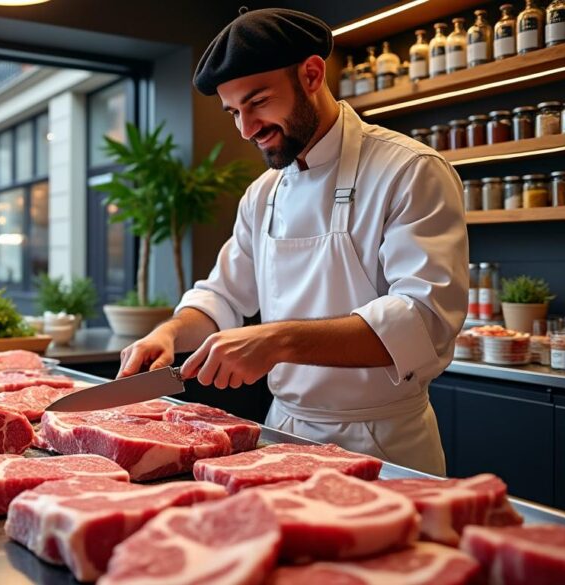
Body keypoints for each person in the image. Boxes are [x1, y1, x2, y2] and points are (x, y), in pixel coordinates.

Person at [118, 8, 467, 475]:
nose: (246, 129)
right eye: (234, 112)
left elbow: (423, 320)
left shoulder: (409, 170)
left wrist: (277, 341)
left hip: (383, 444)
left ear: (311, 74)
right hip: (283, 432)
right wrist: (168, 333)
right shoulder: (264, 194)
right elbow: (222, 296)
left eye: (258, 102)